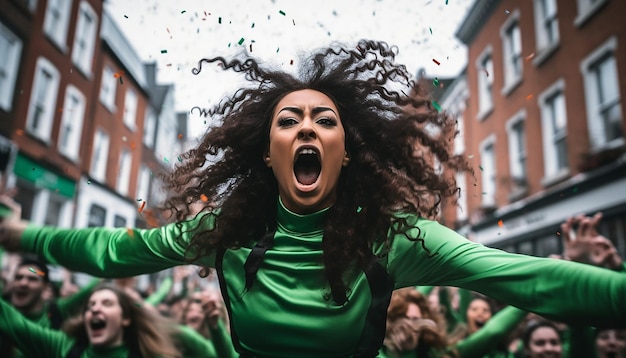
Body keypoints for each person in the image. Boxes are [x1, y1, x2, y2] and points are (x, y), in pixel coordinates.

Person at [1, 39, 626, 357]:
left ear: (345, 151)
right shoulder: (226, 229)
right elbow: (115, 251)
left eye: (325, 122)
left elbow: (529, 280)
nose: (306, 129)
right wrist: (19, 236)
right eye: (289, 120)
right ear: (267, 151)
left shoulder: (392, 236)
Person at [0, 283, 182, 357]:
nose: (95, 308)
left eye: (107, 303)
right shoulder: (65, 346)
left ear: (125, 318)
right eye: (91, 305)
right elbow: (11, 320)